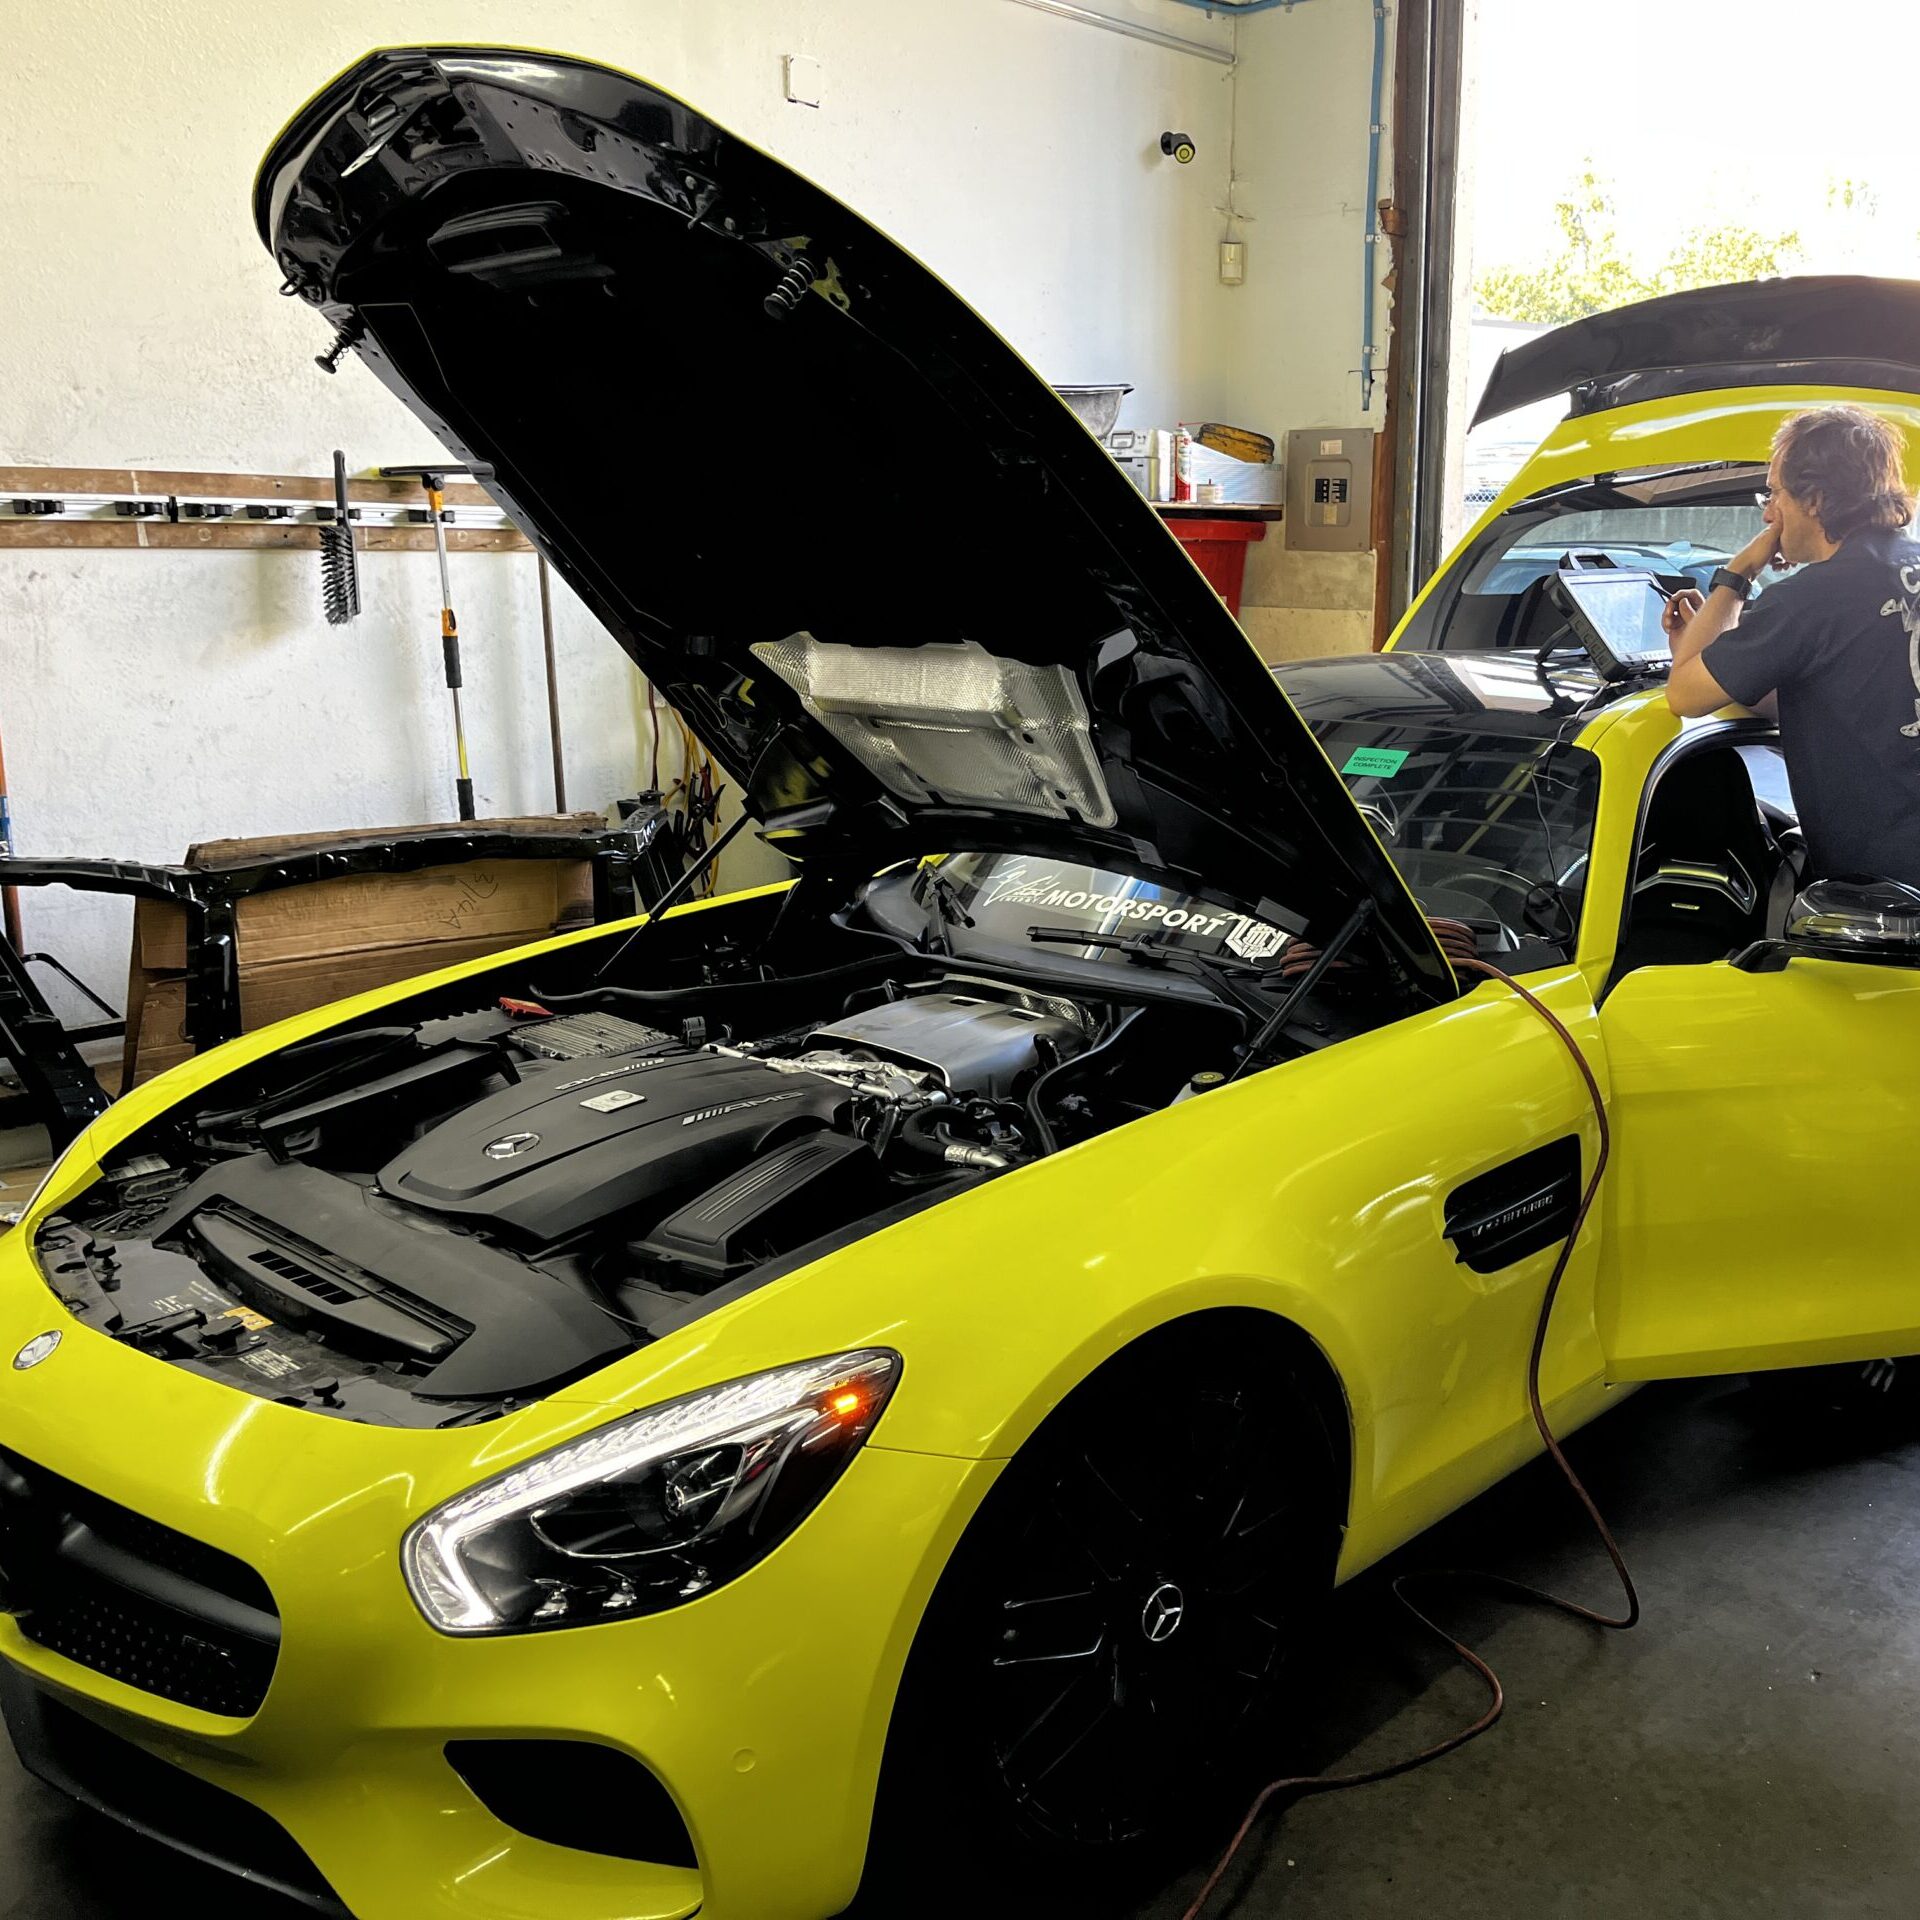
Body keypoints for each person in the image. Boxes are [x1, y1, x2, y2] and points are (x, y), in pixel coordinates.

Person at [1662, 404, 1920, 887]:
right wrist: (1712, 656)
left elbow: (1684, 696)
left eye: (1775, 492)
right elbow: (1834, 694)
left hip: (1889, 897)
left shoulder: (1812, 599)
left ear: (1816, 499)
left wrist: (1738, 573)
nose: (1767, 512)